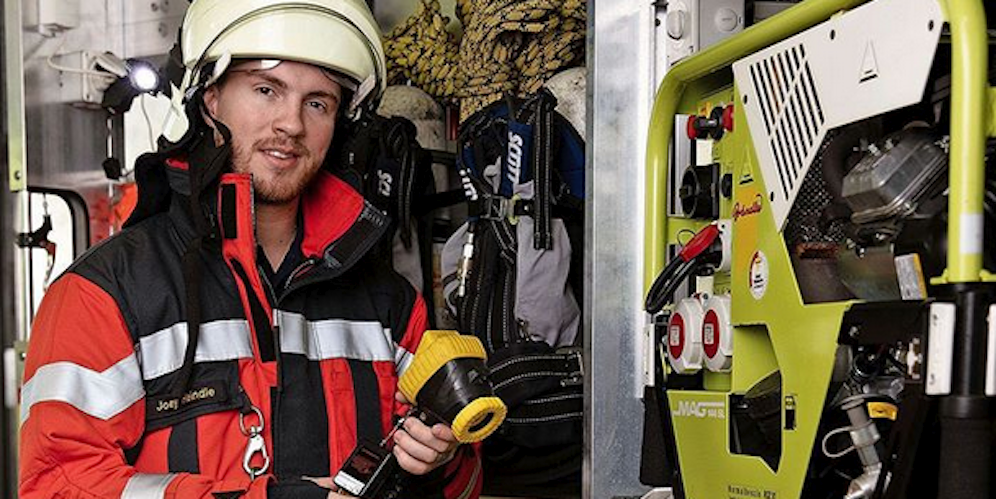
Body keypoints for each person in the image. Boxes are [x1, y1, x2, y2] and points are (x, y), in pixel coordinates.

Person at [17, 0, 482, 497]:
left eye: (318, 102)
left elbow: (465, 486)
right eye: (266, 90)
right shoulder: (103, 294)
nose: (292, 124)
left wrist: (437, 462)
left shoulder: (390, 302)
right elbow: (56, 484)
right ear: (210, 98)